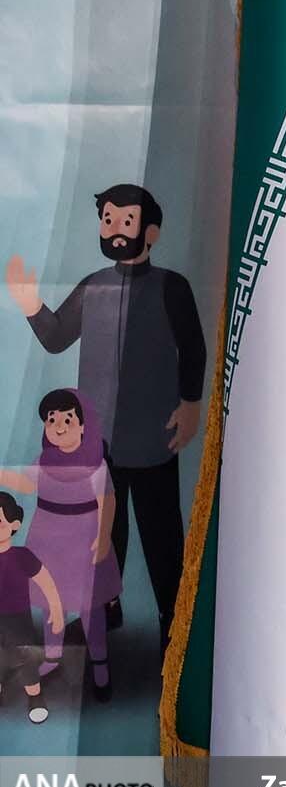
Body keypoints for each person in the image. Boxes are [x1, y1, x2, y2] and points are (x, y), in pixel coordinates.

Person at [5, 183, 204, 651]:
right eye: (108, 219)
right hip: (98, 444)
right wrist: (32, 305)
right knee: (101, 535)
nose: (114, 229)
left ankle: (174, 623)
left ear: (150, 232)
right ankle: (105, 611)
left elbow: (193, 348)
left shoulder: (172, 287)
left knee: (161, 535)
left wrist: (191, 404)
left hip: (155, 437)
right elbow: (57, 337)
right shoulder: (93, 287)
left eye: (126, 221)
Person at [0, 390, 120, 701]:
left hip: (84, 542)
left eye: (67, 419)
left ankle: (100, 663)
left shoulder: (96, 466)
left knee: (90, 607)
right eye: (51, 420)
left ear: (83, 425)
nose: (59, 426)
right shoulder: (43, 461)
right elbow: (26, 483)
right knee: (51, 605)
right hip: (49, 542)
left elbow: (108, 501)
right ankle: (52, 657)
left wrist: (103, 536)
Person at [0, 493, 65, 724]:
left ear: (14, 525)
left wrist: (56, 609)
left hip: (18, 617)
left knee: (25, 657)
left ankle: (35, 697)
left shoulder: (21, 556)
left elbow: (45, 581)